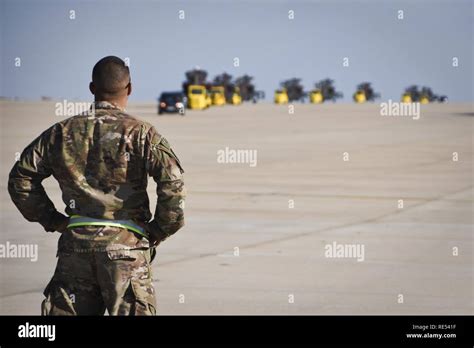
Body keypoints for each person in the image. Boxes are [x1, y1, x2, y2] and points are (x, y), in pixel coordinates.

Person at [8, 56, 186, 315]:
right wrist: (158, 230)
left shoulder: (61, 132)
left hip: (75, 249)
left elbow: (21, 178)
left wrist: (54, 220)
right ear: (130, 89)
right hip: (126, 252)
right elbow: (173, 183)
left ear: (92, 88)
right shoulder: (143, 134)